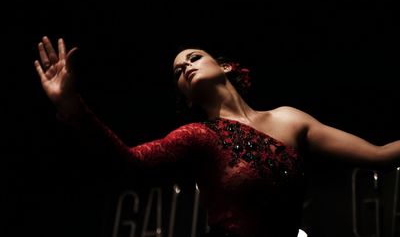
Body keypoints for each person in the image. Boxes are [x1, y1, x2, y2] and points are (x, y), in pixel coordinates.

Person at [34, 36, 400, 237]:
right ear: (186, 96)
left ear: (225, 66)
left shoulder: (290, 119)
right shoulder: (197, 135)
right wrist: (72, 107)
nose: (187, 66)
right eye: (179, 71)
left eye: (194, 57)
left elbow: (381, 154)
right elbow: (129, 162)